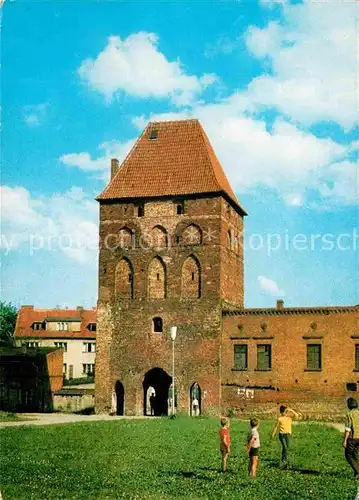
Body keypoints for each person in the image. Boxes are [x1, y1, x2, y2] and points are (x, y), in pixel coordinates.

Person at [343, 397, 359, 479]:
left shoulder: (349, 414)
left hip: (353, 438)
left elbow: (348, 429)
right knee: (355, 455)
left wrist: (345, 440)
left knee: (348, 456)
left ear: (349, 405)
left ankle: (358, 471)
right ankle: (357, 474)